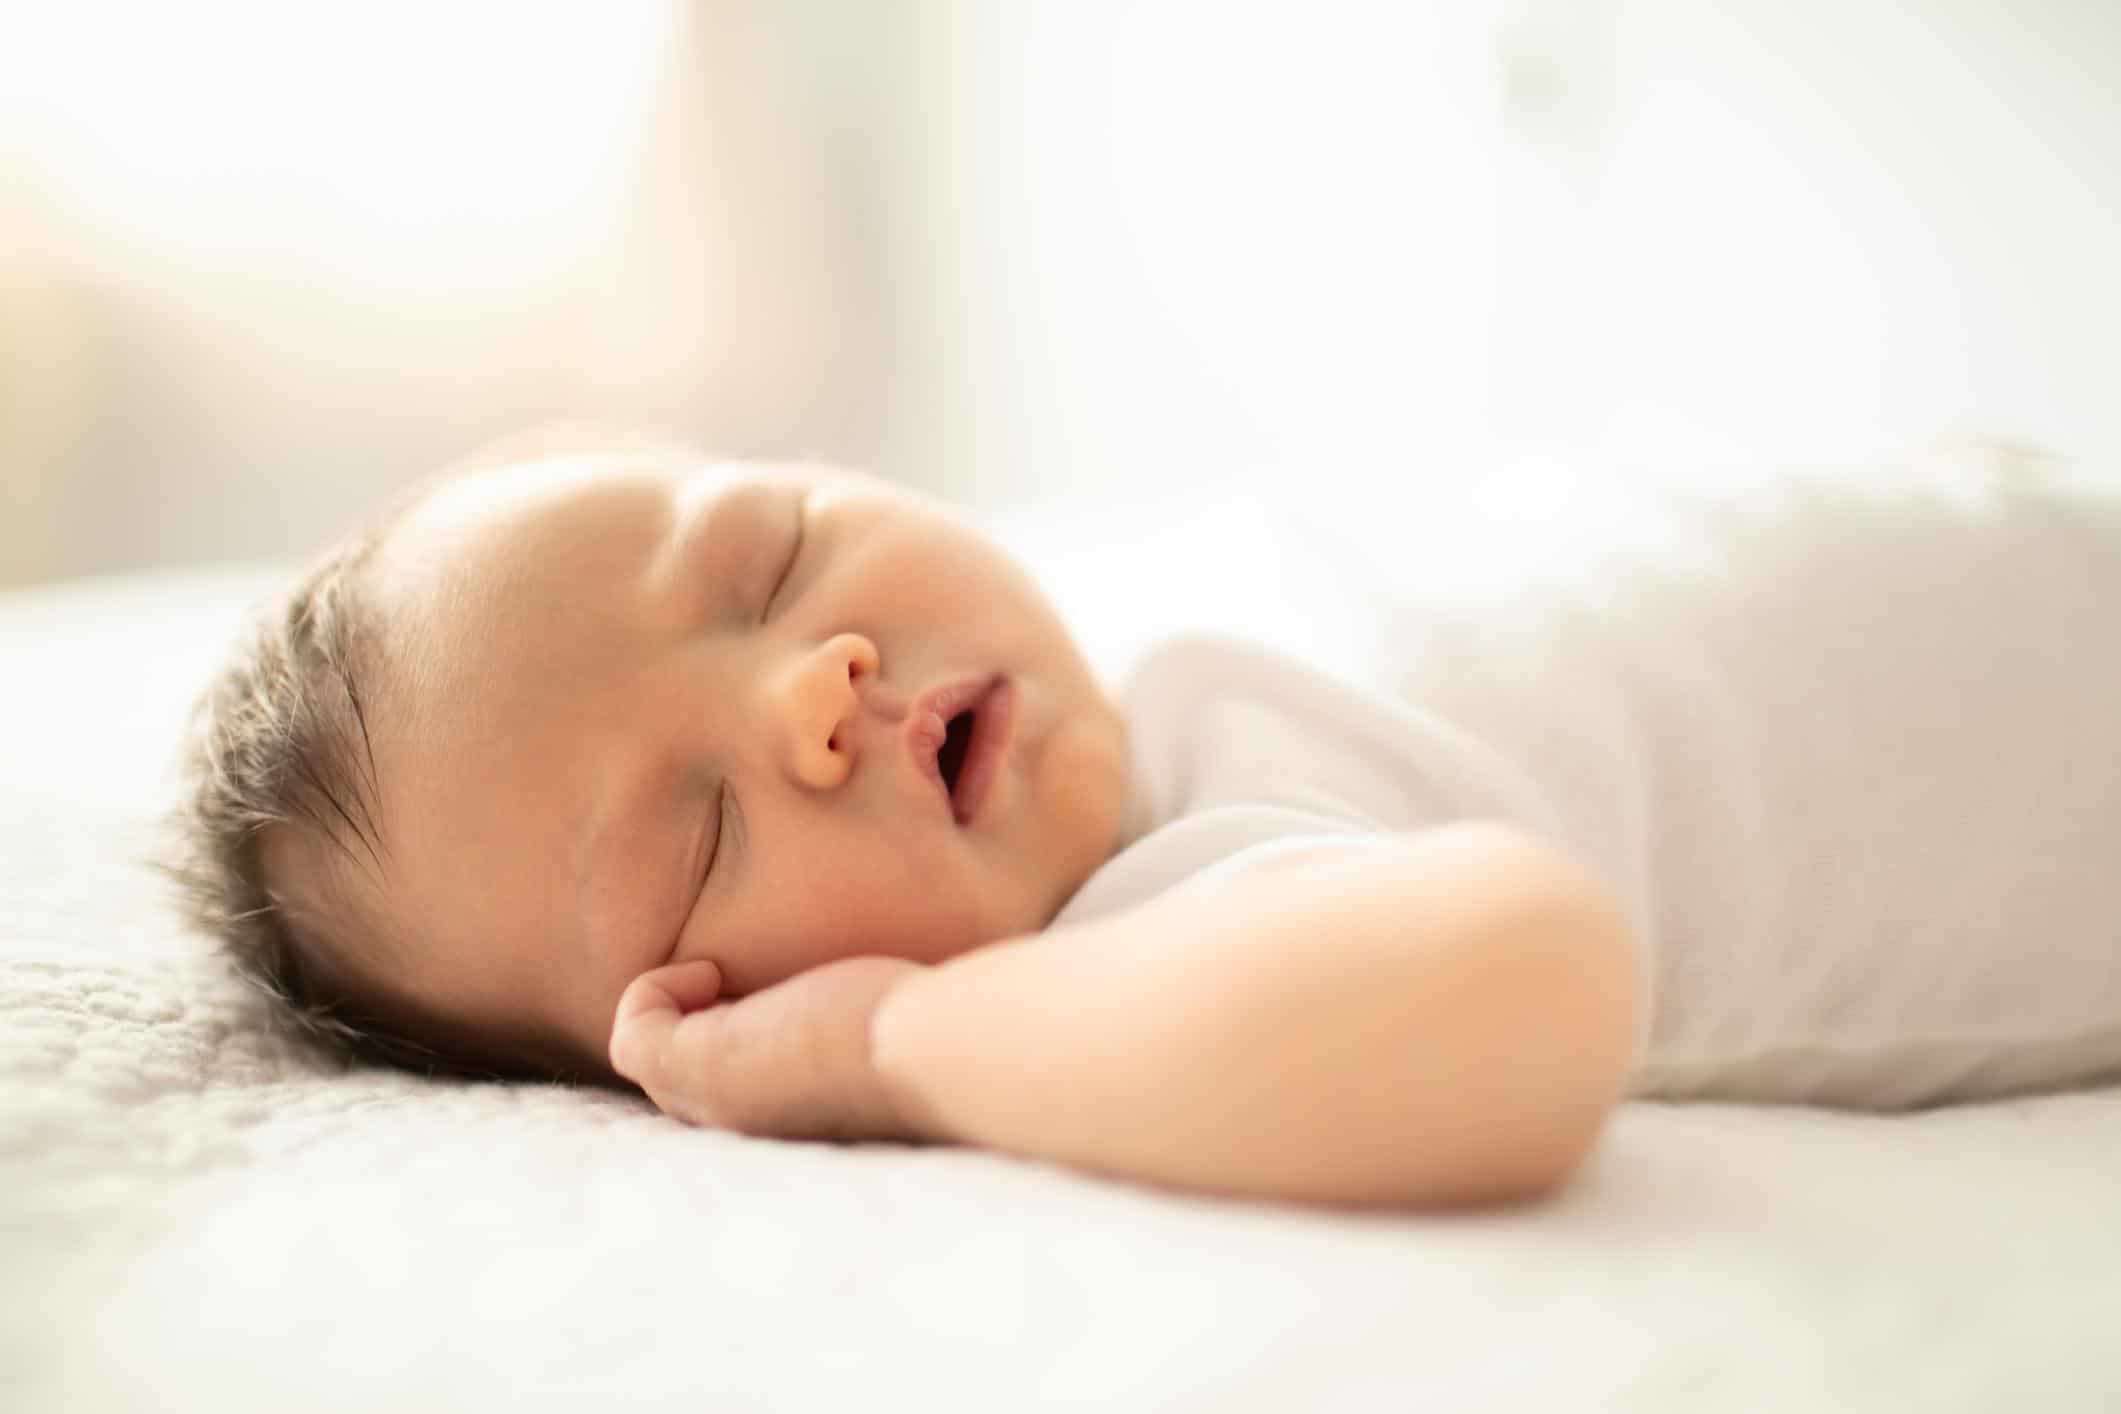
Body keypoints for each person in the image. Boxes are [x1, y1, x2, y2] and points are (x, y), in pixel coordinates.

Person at [173, 432, 2121, 1209]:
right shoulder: (1160, 915)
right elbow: (1514, 988)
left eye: (761, 553)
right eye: (695, 836)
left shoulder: (1169, 617)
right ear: (702, 1026)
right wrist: (894, 1043)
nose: (808, 685)